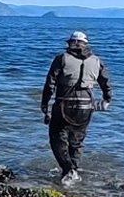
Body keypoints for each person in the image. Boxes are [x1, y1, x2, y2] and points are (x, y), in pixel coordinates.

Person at [40, 31, 112, 185]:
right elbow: (105, 82)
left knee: (57, 138)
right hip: (86, 106)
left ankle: (68, 169)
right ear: (85, 44)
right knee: (77, 141)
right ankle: (74, 171)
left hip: (64, 105)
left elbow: (50, 83)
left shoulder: (62, 59)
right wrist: (107, 99)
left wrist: (44, 104)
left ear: (71, 43)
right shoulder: (96, 60)